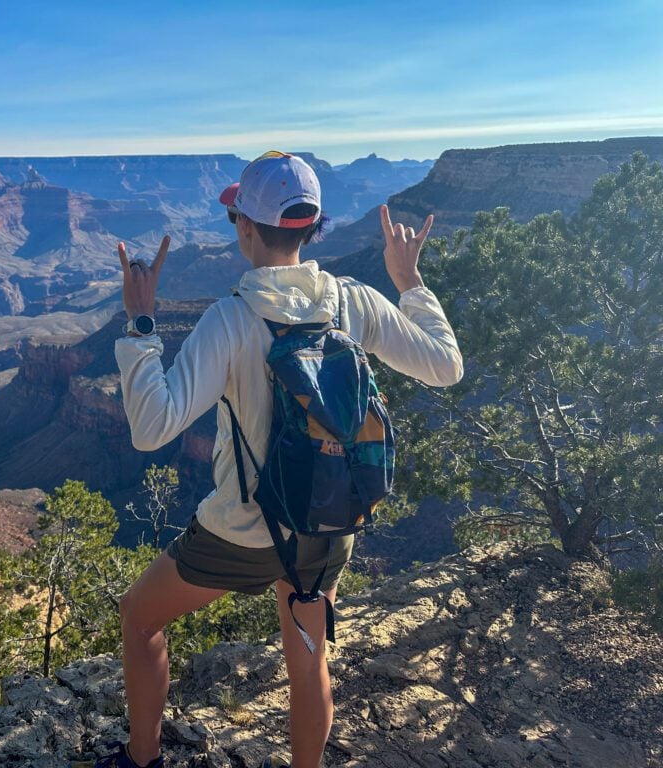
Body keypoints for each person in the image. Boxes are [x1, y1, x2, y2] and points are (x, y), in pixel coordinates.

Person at [102, 151, 463, 768]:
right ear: (315, 228)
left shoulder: (231, 320)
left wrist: (141, 324)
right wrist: (409, 281)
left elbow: (151, 427)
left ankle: (141, 759)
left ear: (245, 228)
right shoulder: (354, 302)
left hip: (244, 530)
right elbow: (446, 367)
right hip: (328, 521)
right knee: (308, 661)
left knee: (139, 616)